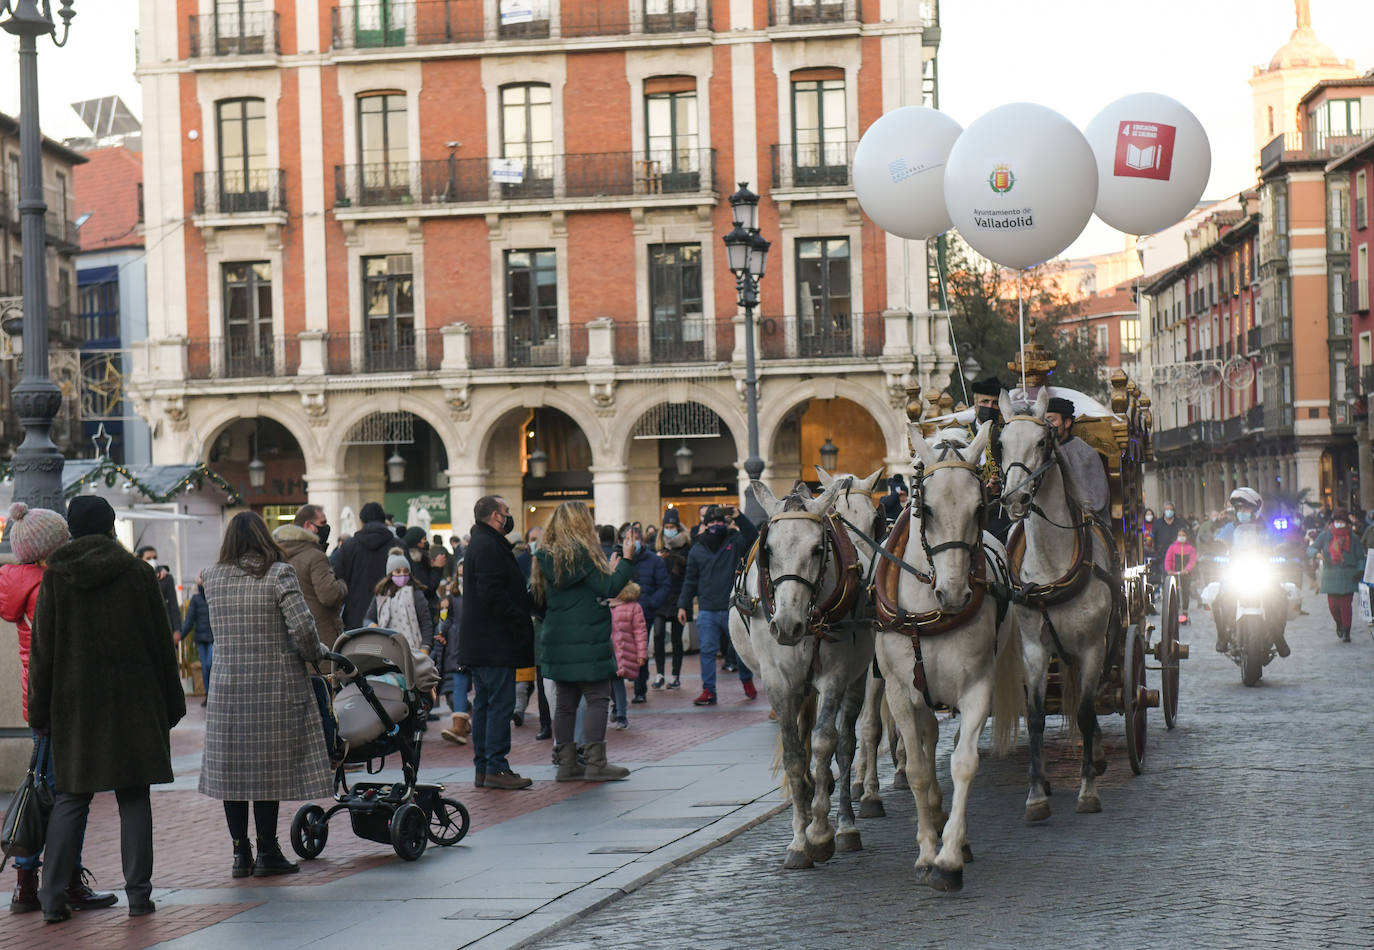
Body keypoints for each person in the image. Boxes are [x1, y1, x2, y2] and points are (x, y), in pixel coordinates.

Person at [30, 496, 185, 922]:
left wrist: (39, 715)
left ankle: (52, 898)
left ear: (72, 530)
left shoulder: (57, 578)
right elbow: (160, 646)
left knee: (71, 798)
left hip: (76, 707)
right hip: (134, 704)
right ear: (111, 526)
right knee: (134, 798)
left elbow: (44, 653)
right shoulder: (138, 573)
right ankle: (139, 896)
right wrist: (171, 707)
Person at [200, 512, 333, 881]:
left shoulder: (212, 577)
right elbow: (304, 628)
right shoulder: (279, 574)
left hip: (228, 686)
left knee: (235, 771)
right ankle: (268, 849)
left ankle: (240, 853)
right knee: (267, 768)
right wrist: (315, 652)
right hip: (274, 684)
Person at [2, 503, 117, 917]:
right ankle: (63, 880)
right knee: (69, 794)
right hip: (63, 702)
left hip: (36, 700)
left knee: (42, 790)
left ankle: (26, 883)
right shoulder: (49, 585)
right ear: (50, 545)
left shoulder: (17, 582)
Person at [533, 501, 635, 782]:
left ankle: (566, 764)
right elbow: (610, 588)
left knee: (565, 703)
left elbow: (538, 598)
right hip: (588, 638)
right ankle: (596, 762)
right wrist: (626, 561)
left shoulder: (543, 556)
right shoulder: (585, 556)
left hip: (555, 637)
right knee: (598, 698)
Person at [459, 495, 537, 790]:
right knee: (499, 705)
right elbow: (493, 593)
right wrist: (518, 617)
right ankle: (495, 766)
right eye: (506, 512)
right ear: (494, 516)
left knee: (484, 705)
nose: (508, 517)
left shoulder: (481, 543)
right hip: (494, 641)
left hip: (481, 642)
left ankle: (484, 767)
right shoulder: (489, 546)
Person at [678, 505, 759, 706]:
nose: (716, 525)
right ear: (705, 526)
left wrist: (739, 517)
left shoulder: (735, 541)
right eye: (711, 522)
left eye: (719, 522)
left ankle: (747, 681)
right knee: (707, 650)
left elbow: (753, 538)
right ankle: (708, 690)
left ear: (725, 523)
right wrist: (683, 605)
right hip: (707, 609)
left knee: (740, 650)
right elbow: (690, 580)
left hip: (733, 608)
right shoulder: (696, 549)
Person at [1214, 487, 1292, 657]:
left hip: (1263, 573)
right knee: (1220, 597)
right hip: (1236, 572)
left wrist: (1283, 552)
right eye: (1239, 509)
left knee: (1280, 597)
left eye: (1246, 508)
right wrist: (1215, 551)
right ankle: (1223, 635)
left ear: (1256, 510)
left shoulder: (1267, 528)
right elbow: (1218, 543)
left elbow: (1281, 544)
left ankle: (1278, 636)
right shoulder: (1230, 528)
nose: (1243, 512)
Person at [274, 505, 348, 651]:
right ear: (308, 525)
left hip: (289, 638)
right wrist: (342, 585)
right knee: (327, 673)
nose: (326, 527)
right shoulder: (315, 557)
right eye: (322, 523)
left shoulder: (278, 554)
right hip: (321, 637)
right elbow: (330, 596)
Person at [334, 501, 401, 631]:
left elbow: (338, 578)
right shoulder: (398, 546)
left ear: (362, 521)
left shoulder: (348, 546)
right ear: (383, 520)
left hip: (355, 615)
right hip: (393, 614)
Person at [620, 523, 668, 704]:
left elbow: (664, 585)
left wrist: (651, 604)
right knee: (623, 651)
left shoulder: (655, 561)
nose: (631, 543)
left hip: (644, 613)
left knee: (640, 650)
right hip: (621, 614)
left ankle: (640, 689)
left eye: (635, 539)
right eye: (627, 539)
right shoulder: (619, 559)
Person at [1044, 396, 1110, 523]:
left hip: (1082, 523)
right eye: (1044, 421)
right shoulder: (1041, 451)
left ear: (1067, 423)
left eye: (1051, 420)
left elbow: (1098, 499)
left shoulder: (1086, 453)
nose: (1047, 426)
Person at [1310, 508, 1365, 643]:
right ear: (1333, 522)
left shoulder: (1354, 538)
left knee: (1346, 606)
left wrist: (1360, 570)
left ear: (1346, 522)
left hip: (1349, 576)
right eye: (1337, 520)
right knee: (1333, 607)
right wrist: (1317, 554)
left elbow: (1360, 558)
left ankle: (1347, 631)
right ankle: (1339, 623)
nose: (1339, 523)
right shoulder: (1325, 535)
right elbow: (1311, 548)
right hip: (1331, 577)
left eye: (1342, 521)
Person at [970, 376, 1012, 542]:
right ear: (975, 404)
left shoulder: (1009, 435)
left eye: (995, 403)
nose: (990, 407)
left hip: (1002, 512)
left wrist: (1001, 486)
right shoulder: (960, 435)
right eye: (985, 402)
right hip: (969, 511)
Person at [651, 510, 690, 689]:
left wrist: (675, 558)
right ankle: (659, 674)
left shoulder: (686, 545)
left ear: (678, 527)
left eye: (672, 527)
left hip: (678, 597)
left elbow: (688, 570)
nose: (669, 530)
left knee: (676, 639)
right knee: (658, 634)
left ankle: (675, 675)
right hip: (660, 599)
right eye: (666, 527)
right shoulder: (656, 546)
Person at [433, 580, 470, 745]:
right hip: (457, 649)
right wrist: (442, 632)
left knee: (484, 688)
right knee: (458, 685)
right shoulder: (451, 599)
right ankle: (459, 726)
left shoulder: (477, 593)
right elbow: (446, 620)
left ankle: (471, 723)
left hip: (476, 644)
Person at [609, 581, 648, 729]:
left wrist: (642, 653)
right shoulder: (604, 604)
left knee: (617, 681)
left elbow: (640, 632)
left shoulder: (634, 607)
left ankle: (621, 714)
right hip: (605, 651)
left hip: (622, 652)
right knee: (607, 684)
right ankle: (617, 706)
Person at [178, 576, 214, 704]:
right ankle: (208, 694)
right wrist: (180, 636)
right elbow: (189, 620)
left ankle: (212, 693)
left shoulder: (213, 598)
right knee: (205, 666)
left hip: (213, 638)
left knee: (210, 664)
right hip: (201, 638)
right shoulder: (195, 600)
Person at [137, 545, 182, 633]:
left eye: (154, 557)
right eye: (148, 558)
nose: (152, 561)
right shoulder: (136, 578)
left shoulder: (166, 578)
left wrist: (177, 629)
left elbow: (173, 604)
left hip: (163, 625)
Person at [1162, 529, 1198, 620]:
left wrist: (1187, 570)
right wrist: (1168, 570)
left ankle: (1185, 611)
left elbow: (1192, 561)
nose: (1181, 537)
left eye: (1183, 535)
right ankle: (1175, 610)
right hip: (1175, 574)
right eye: (1179, 535)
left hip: (1186, 575)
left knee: (1185, 592)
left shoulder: (1190, 548)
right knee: (1175, 592)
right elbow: (1168, 559)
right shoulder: (1172, 547)